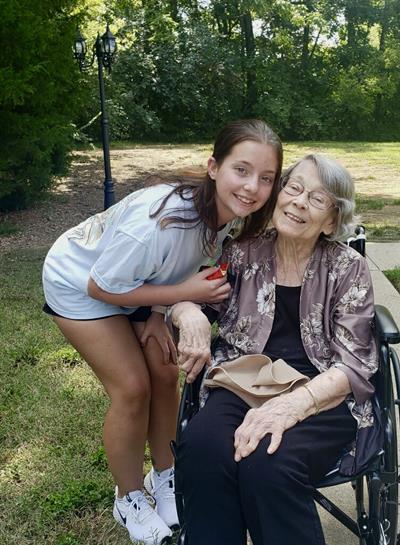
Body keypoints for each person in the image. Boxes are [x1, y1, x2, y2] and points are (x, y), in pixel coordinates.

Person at [42, 119, 283, 545]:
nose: (251, 187)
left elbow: (179, 264)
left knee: (165, 370)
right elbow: (102, 286)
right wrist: (182, 294)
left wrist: (157, 312)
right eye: (241, 170)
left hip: (138, 284)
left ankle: (165, 475)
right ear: (213, 166)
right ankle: (129, 497)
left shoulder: (227, 214)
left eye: (266, 178)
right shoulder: (159, 222)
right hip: (79, 283)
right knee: (133, 387)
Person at [171, 154, 378, 545]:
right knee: (203, 447)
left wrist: (289, 406)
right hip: (241, 380)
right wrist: (188, 313)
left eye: (317, 199)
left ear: (332, 220)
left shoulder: (348, 268)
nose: (299, 202)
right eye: (293, 188)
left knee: (268, 463)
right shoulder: (242, 252)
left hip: (321, 393)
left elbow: (354, 364)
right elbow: (195, 298)